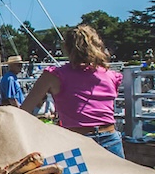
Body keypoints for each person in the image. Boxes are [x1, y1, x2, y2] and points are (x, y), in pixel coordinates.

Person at [20, 24, 125, 157]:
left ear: (67, 48)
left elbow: (24, 111)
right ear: (98, 45)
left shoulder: (54, 76)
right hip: (110, 139)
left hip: (76, 142)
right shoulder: (111, 76)